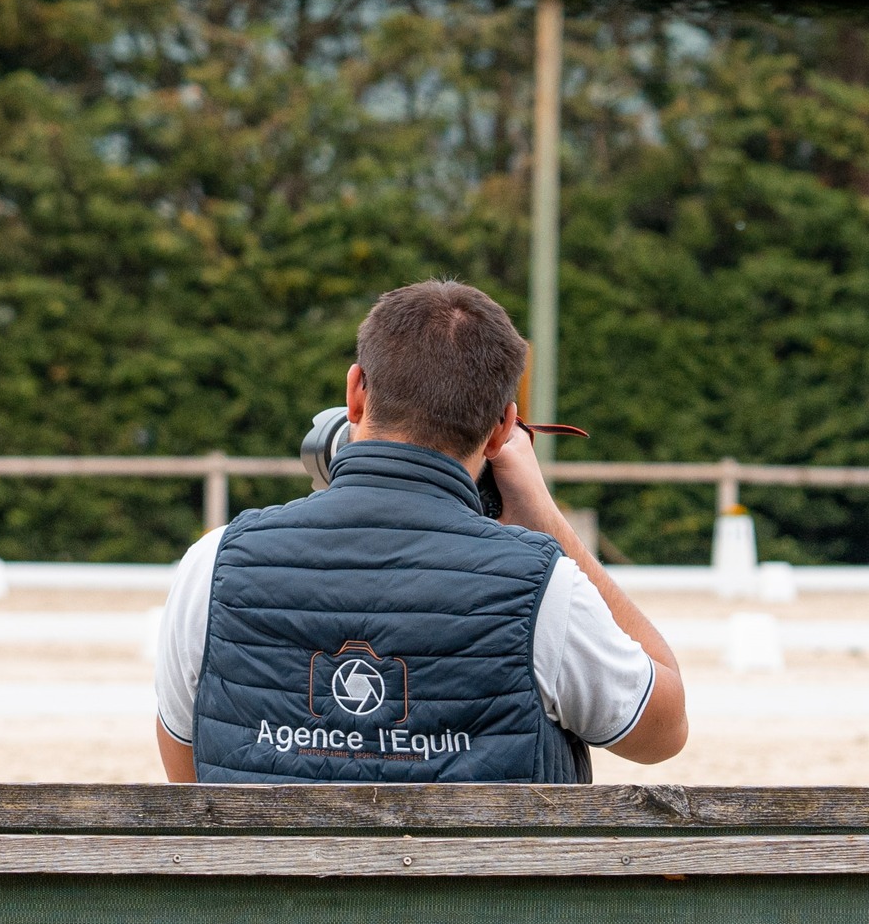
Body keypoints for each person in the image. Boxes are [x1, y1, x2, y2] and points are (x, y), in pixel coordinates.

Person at [154, 279, 686, 783]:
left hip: (267, 882)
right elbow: (664, 730)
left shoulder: (213, 562)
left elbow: (190, 776)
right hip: (478, 884)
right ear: (503, 427)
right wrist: (547, 522)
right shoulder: (542, 588)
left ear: (356, 394)